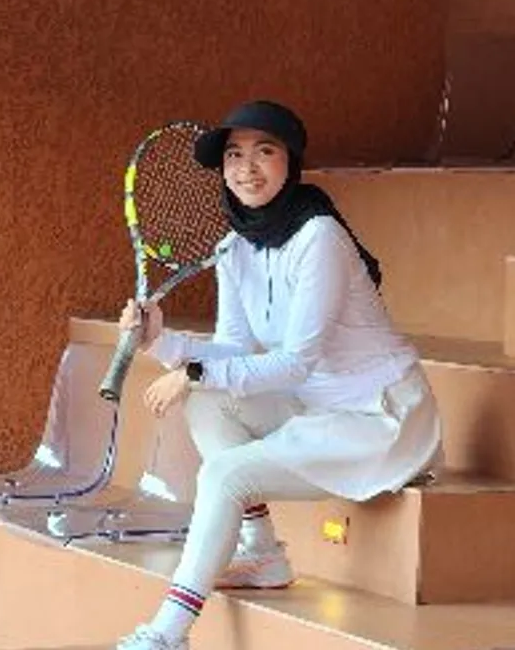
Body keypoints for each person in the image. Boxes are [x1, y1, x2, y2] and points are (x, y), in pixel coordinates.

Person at [115, 100, 442, 650]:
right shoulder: (234, 246)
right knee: (206, 400)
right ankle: (263, 552)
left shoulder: (320, 238)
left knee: (225, 473)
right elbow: (235, 349)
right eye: (234, 155)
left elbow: (296, 361)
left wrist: (192, 370)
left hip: (382, 417)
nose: (247, 168)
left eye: (264, 152)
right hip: (317, 409)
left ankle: (168, 633)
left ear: (291, 162)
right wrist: (161, 340)